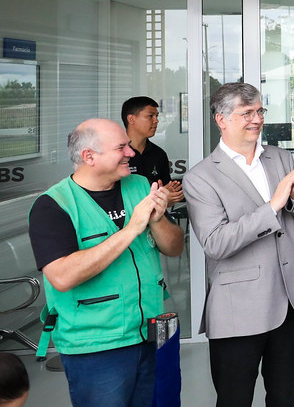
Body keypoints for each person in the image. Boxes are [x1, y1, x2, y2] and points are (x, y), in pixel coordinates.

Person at [28, 118, 183, 406]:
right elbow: (62, 276)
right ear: (89, 156)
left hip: (152, 334)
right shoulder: (53, 205)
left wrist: (158, 220)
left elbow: (174, 248)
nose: (131, 153)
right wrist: (131, 229)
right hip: (97, 347)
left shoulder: (140, 185)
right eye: (121, 147)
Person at [184, 83, 294, 407]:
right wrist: (272, 206)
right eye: (246, 113)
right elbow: (216, 242)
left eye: (259, 111)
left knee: (285, 398)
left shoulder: (282, 158)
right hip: (237, 311)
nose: (257, 119)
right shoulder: (200, 177)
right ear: (221, 120)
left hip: (288, 303)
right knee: (235, 400)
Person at [122, 96, 184, 205]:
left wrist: (171, 197)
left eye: (156, 116)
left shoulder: (159, 154)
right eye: (150, 116)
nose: (156, 121)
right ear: (131, 119)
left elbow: (167, 196)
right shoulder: (115, 154)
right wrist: (159, 199)